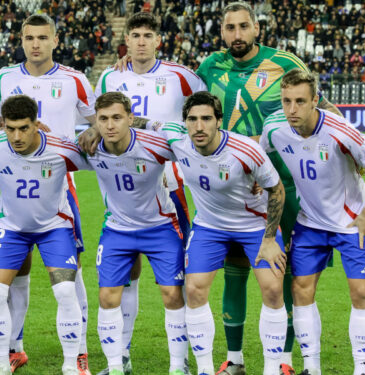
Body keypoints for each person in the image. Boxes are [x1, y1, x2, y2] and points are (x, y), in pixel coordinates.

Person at [194, 3, 340, 372]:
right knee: (235, 270)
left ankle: (286, 360)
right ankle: (235, 360)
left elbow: (322, 108)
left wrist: (350, 146)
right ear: (222, 31)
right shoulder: (209, 67)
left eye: (244, 27)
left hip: (284, 186)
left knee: (287, 271)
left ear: (257, 29)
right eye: (230, 28)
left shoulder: (286, 63)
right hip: (230, 189)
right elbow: (189, 108)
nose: (237, 35)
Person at [0, 14, 96, 374]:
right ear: (22, 40)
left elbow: (97, 123)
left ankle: (80, 351)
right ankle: (14, 348)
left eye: (43, 37)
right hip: (14, 183)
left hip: (60, 183)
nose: (36, 44)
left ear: (55, 40)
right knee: (17, 271)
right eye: (29, 37)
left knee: (69, 276)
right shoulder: (5, 78)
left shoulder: (74, 79)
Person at [92, 12, 207, 374]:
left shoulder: (181, 76)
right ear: (126, 39)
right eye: (135, 35)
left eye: (147, 35)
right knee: (126, 275)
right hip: (123, 186)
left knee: (175, 284)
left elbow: (203, 115)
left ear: (158, 40)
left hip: (171, 186)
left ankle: (180, 362)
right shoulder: (111, 76)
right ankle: (120, 355)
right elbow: (99, 122)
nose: (141, 41)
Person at [260, 69, 365, 375]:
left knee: (360, 292)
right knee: (301, 289)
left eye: (300, 101)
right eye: (286, 101)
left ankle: (361, 369)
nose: (292, 109)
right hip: (310, 222)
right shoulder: (275, 127)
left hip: (351, 223)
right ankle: (312, 367)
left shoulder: (340, 130)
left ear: (315, 101)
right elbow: (259, 152)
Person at [159, 92, 294, 375]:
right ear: (184, 122)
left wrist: (269, 239)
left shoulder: (245, 150)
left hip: (254, 225)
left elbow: (276, 189)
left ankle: (272, 369)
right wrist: (97, 129)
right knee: (194, 289)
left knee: (272, 289)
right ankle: (206, 370)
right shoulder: (177, 140)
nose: (199, 126)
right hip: (210, 226)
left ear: (219, 121)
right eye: (192, 119)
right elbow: (144, 123)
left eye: (206, 119)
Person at [82, 92, 187, 375]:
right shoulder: (89, 147)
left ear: (131, 118)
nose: (110, 125)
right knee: (107, 297)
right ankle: (117, 366)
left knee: (172, 294)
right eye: (102, 119)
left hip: (160, 227)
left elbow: (195, 149)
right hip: (118, 229)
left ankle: (179, 366)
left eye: (117, 117)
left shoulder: (156, 144)